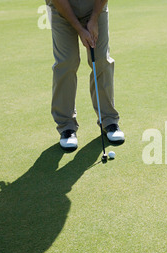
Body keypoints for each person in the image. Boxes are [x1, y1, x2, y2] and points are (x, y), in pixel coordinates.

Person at [46, 0, 125, 151]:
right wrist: (79, 29)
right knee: (67, 62)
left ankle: (109, 121)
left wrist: (94, 17)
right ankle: (66, 127)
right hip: (61, 8)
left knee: (101, 60)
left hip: (94, 5)